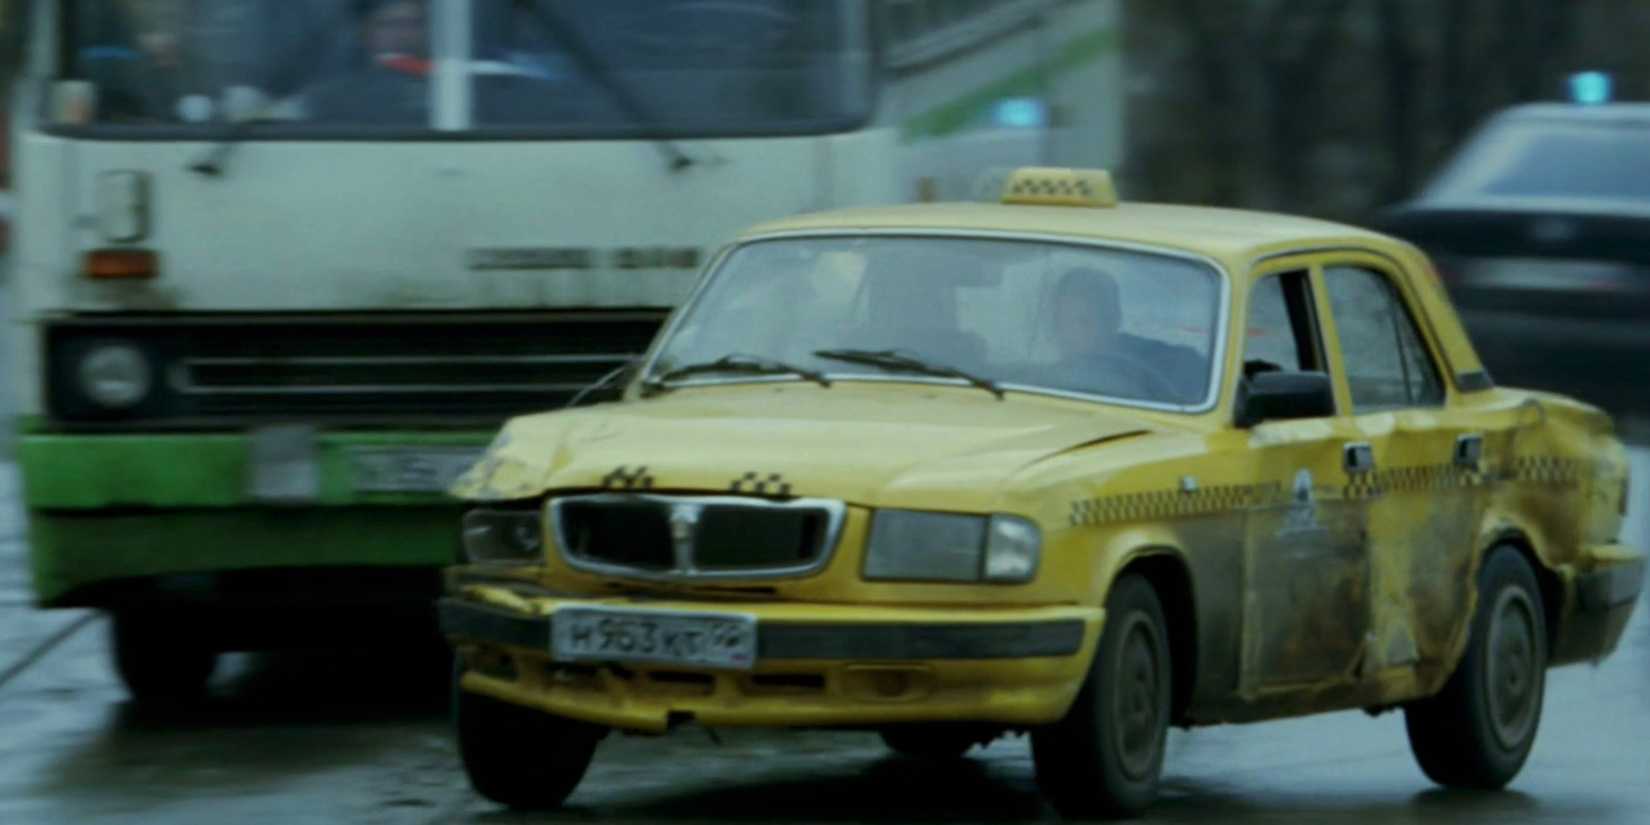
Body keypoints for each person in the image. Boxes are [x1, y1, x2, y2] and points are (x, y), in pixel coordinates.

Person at [1049, 267, 1208, 403]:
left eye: (1084, 321)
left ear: (1113, 320)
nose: (1067, 334)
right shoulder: (1042, 382)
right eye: (1061, 322)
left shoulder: (1172, 362)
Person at [302, 0, 431, 125]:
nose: (404, 35)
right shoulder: (330, 95)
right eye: (390, 24)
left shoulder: (443, 86)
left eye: (414, 24)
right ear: (366, 31)